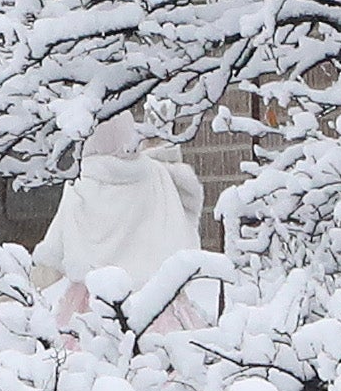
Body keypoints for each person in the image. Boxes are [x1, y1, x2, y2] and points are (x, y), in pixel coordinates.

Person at [28, 117, 212, 332]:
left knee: (89, 357)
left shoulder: (81, 184)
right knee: (168, 357)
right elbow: (187, 208)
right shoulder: (156, 174)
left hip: (93, 302)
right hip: (157, 299)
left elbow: (54, 249)